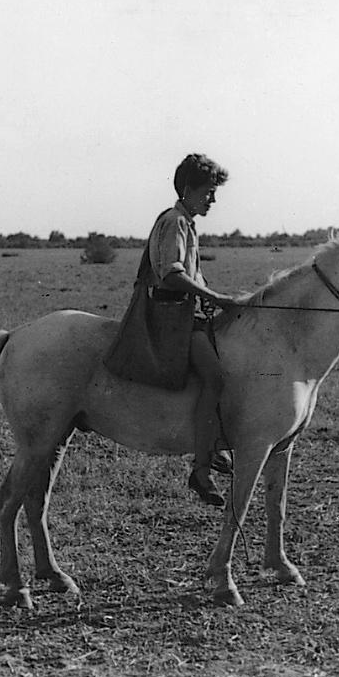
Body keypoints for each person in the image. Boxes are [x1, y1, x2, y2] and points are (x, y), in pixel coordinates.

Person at [106, 153, 239, 506]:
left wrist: (209, 297)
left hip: (186, 312)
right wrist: (213, 296)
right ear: (187, 189)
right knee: (215, 378)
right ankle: (201, 467)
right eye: (208, 192)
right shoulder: (175, 222)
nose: (213, 199)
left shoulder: (186, 223)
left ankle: (211, 444)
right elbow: (171, 274)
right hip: (171, 318)